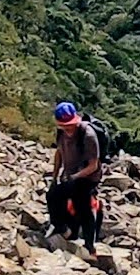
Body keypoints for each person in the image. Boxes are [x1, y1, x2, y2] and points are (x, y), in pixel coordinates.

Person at [46, 99, 109, 249]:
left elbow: (93, 165)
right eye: (64, 126)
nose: (67, 129)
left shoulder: (88, 135)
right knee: (53, 195)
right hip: (70, 174)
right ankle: (62, 228)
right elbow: (59, 153)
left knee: (83, 207)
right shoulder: (61, 132)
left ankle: (90, 247)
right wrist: (54, 177)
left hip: (88, 176)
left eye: (70, 126)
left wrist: (75, 177)